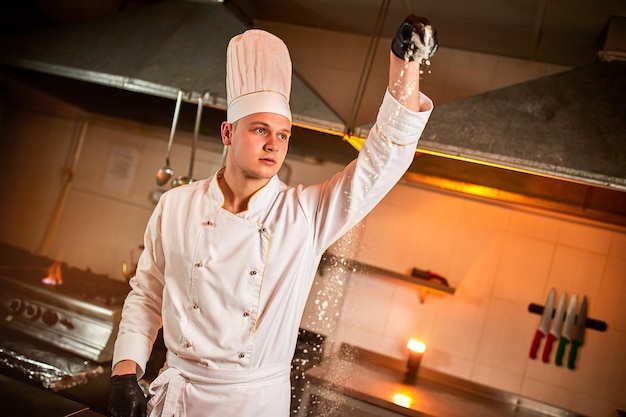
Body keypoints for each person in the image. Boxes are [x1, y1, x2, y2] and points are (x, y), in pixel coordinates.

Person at [108, 14, 438, 417]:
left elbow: (382, 161)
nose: (274, 145)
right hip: (174, 399)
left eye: (282, 135)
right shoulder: (175, 206)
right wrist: (125, 372)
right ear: (227, 133)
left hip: (251, 405)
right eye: (260, 130)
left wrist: (404, 65)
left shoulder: (305, 214)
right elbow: (146, 295)